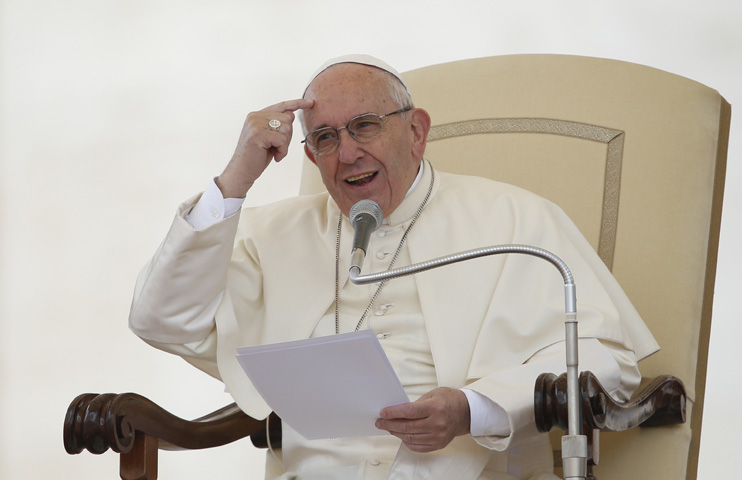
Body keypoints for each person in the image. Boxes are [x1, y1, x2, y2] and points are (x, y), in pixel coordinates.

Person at [129, 55, 659, 479]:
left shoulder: (515, 218)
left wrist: (473, 408)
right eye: (326, 139)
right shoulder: (270, 234)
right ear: (311, 157)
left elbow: (607, 360)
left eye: (365, 126)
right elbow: (161, 319)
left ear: (417, 132)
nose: (348, 153)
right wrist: (234, 181)